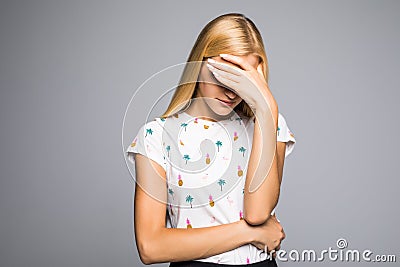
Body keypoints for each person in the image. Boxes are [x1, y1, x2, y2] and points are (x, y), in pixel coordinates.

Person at [125, 13, 296, 267]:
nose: (231, 90)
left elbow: (257, 212)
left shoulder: (270, 125)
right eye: (224, 73)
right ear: (200, 62)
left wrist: (267, 107)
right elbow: (150, 246)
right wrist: (250, 233)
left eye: (243, 79)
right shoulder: (156, 136)